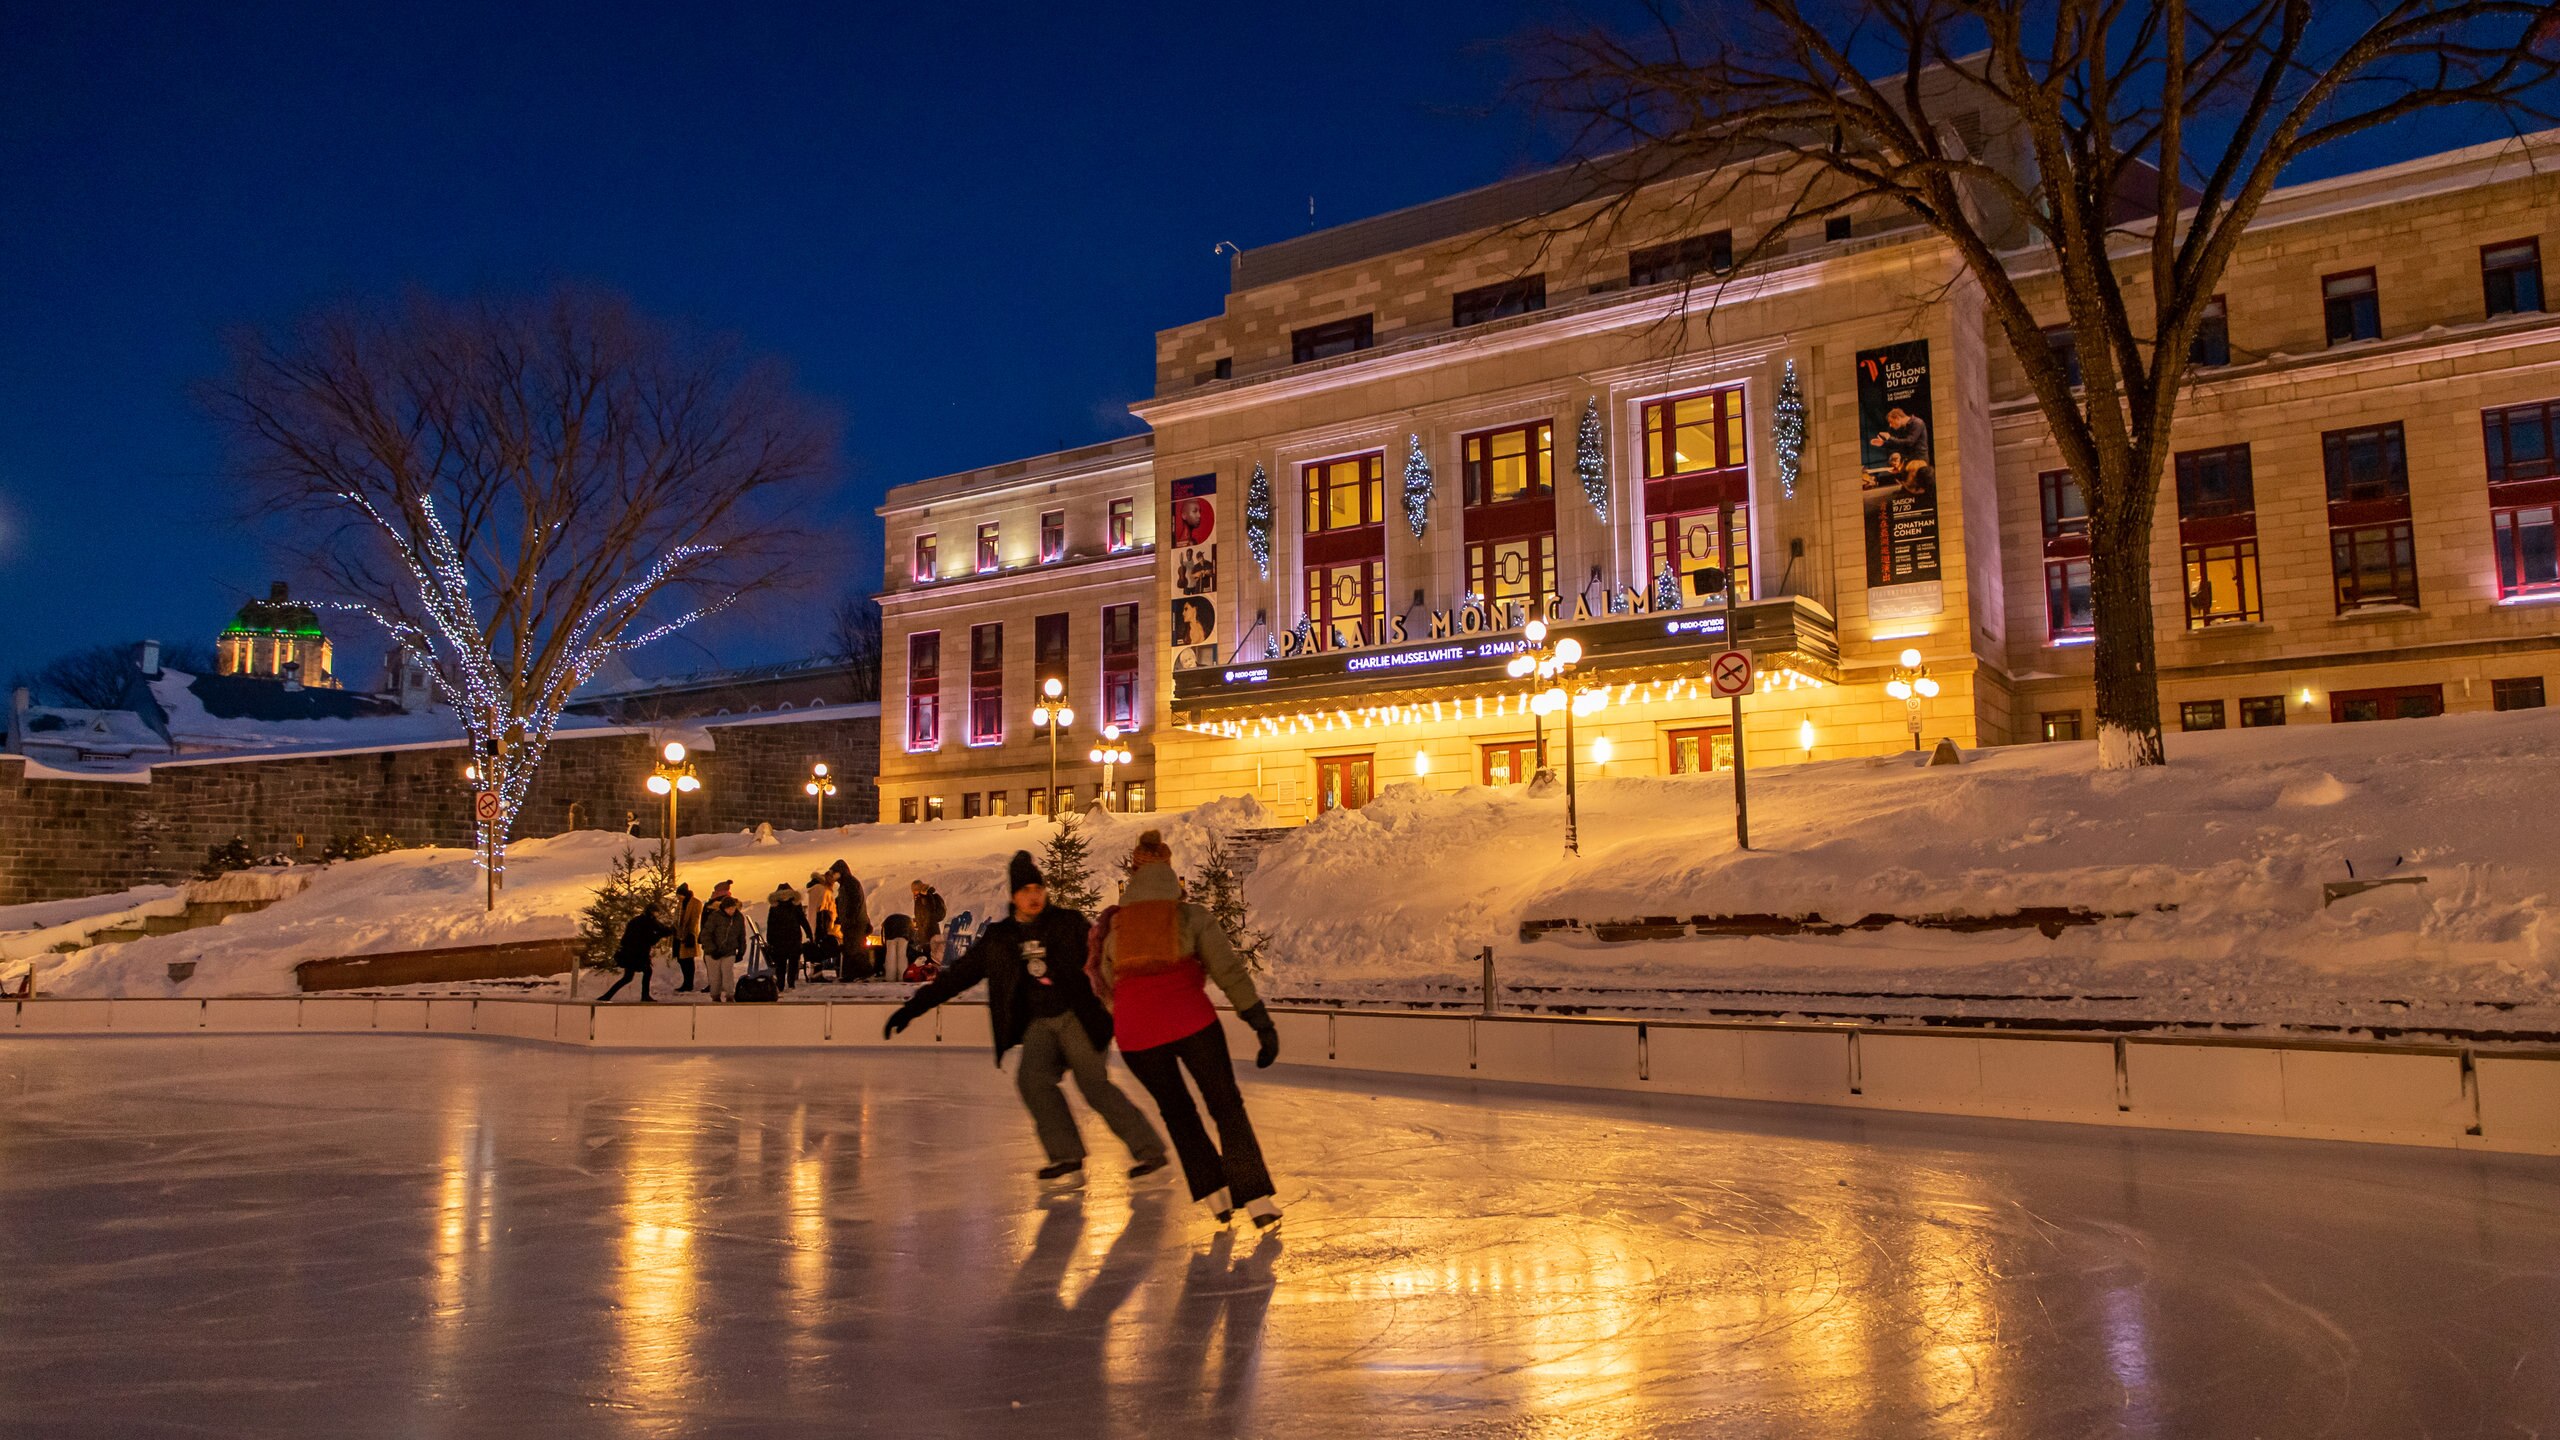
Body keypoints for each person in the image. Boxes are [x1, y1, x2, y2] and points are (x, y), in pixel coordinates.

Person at [886, 851, 1168, 1185]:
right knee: (1032, 1080)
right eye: (1025, 890)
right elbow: (959, 975)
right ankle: (1067, 1155)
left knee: (1093, 1085)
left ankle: (1149, 1150)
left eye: (1038, 888)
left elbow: (1109, 958)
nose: (1033, 896)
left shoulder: (1069, 924)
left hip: (1078, 1015)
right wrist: (912, 1009)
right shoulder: (1001, 937)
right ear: (1013, 895)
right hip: (1039, 1022)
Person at [1095, 831, 1283, 1228]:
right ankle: (1257, 1200)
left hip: (1136, 1039)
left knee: (1178, 1113)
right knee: (1225, 1106)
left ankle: (1216, 1196)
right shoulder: (1191, 916)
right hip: (1190, 1022)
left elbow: (1108, 984)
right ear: (1169, 875)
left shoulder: (1118, 927)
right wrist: (1259, 1021)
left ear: (1133, 877)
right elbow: (1227, 970)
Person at [598, 899, 673, 1003]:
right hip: (638, 954)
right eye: (656, 912)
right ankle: (645, 996)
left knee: (628, 977)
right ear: (652, 912)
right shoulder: (648, 921)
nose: (657, 914)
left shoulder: (637, 920)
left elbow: (627, 938)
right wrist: (668, 932)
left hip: (629, 954)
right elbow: (653, 936)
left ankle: (607, 996)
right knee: (647, 971)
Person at [700, 879, 747, 1002]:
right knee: (715, 977)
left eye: (733, 908)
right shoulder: (715, 917)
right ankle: (715, 996)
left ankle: (730, 995)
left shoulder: (738, 918)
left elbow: (741, 935)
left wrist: (741, 951)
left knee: (728, 974)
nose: (731, 911)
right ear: (723, 908)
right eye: (729, 909)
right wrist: (712, 949)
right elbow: (706, 934)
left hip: (729, 951)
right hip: (713, 952)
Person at [830, 860, 871, 981]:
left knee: (854, 948)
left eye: (834, 872)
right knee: (850, 948)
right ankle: (851, 974)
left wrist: (849, 918)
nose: (832, 875)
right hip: (852, 921)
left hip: (854, 922)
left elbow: (854, 902)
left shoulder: (850, 884)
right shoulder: (846, 884)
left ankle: (865, 970)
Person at [766, 882, 809, 990]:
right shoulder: (795, 904)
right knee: (793, 961)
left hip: (778, 939)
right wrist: (809, 934)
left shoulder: (774, 906)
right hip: (794, 937)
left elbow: (770, 924)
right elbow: (802, 920)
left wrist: (769, 940)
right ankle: (791, 983)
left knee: (781, 963)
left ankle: (780, 984)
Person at [671, 882, 703, 993]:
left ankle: (688, 983)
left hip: (688, 935)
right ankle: (686, 983)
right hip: (679, 936)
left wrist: (689, 933)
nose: (678, 897)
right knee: (681, 959)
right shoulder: (680, 903)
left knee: (688, 960)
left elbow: (694, 919)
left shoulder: (695, 903)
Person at [806, 870, 838, 981]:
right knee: (821, 949)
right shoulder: (822, 890)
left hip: (814, 924)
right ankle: (816, 976)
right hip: (820, 925)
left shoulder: (815, 889)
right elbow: (823, 910)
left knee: (817, 949)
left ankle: (815, 974)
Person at [911, 879, 946, 968]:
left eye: (914, 890)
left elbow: (928, 913)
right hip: (928, 928)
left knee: (930, 952)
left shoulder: (925, 897)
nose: (913, 892)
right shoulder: (922, 897)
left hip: (928, 930)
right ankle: (930, 970)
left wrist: (923, 926)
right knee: (930, 952)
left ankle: (930, 971)